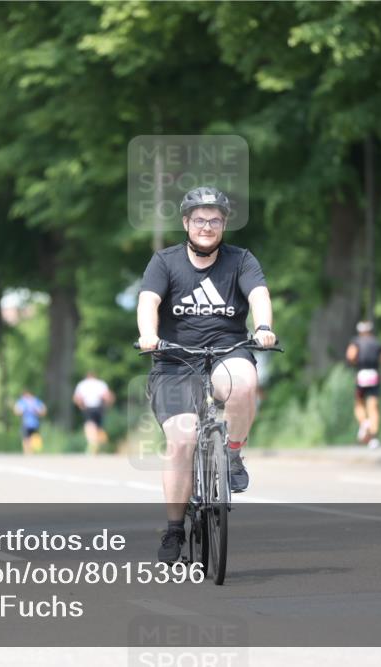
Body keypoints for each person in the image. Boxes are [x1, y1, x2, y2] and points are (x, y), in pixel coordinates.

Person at [137, 185, 276, 563]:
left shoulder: (241, 260)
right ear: (186, 222)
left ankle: (232, 454)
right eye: (199, 219)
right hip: (174, 360)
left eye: (215, 220)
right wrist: (149, 335)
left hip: (225, 351)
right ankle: (174, 531)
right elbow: (148, 300)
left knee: (245, 382)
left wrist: (263, 326)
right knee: (181, 440)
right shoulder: (164, 262)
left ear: (224, 224)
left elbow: (259, 295)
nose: (207, 226)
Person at [346, 321, 381, 449]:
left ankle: (364, 422)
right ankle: (374, 437)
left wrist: (354, 363)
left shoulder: (356, 342)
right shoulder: (377, 343)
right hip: (374, 375)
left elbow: (351, 355)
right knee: (373, 406)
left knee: (359, 403)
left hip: (362, 374)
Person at [73, 371, 115, 455]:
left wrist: (81, 406)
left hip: (88, 407)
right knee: (99, 427)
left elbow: (77, 397)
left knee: (89, 426)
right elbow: (107, 396)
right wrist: (107, 406)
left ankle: (93, 444)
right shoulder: (100, 383)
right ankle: (102, 444)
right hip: (99, 407)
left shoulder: (82, 384)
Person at [14, 390, 47, 454]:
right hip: (26, 423)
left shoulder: (36, 401)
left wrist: (37, 411)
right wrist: (22, 411)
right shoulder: (23, 401)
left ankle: (32, 452)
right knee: (25, 439)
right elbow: (16, 410)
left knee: (34, 439)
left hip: (35, 424)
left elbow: (44, 410)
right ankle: (27, 452)